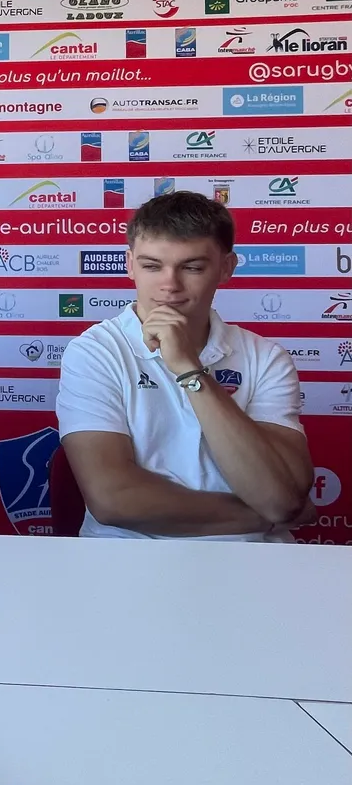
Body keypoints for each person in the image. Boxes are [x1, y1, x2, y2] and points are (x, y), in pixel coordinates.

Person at [55, 191, 315, 541]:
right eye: (151, 266)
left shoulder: (266, 357)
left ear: (226, 268)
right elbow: (114, 500)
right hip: (128, 561)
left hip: (256, 560)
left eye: (191, 267)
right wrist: (265, 517)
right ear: (129, 265)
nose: (169, 286)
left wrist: (190, 370)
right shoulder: (95, 351)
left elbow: (280, 497)